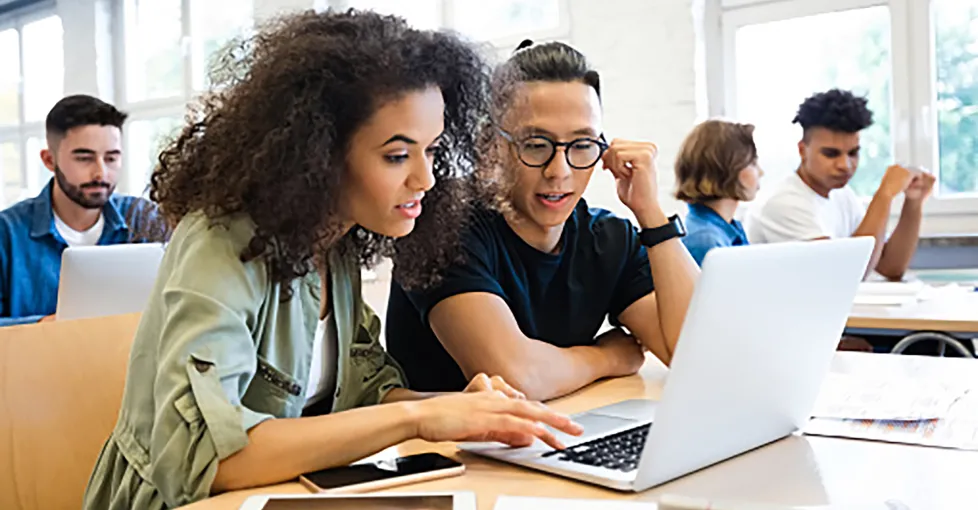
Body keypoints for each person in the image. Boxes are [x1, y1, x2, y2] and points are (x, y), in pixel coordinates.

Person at [83, 12, 581, 510]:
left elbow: (368, 392)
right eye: (396, 156)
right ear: (318, 154)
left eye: (431, 150)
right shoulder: (221, 244)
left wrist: (464, 409)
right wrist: (418, 420)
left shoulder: (338, 241)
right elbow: (210, 459)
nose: (425, 179)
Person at [385, 40, 700, 401]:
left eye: (581, 145)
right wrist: (608, 356)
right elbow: (517, 377)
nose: (559, 171)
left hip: (560, 436)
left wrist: (651, 215)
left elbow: (697, 354)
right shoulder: (441, 225)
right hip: (446, 453)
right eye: (535, 144)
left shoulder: (609, 239)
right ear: (490, 145)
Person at [0, 95, 161, 326]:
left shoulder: (144, 219)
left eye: (111, 158)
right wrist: (44, 326)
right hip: (38, 361)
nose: (101, 173)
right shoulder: (7, 233)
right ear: (49, 160)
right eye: (84, 158)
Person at [745, 89, 935, 280]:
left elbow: (889, 267)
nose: (845, 165)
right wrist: (884, 195)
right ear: (803, 150)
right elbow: (846, 275)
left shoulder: (842, 195)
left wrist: (913, 204)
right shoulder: (784, 203)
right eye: (831, 154)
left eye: (853, 153)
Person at [674, 119, 762, 266]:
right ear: (728, 169)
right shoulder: (705, 240)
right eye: (752, 163)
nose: (760, 172)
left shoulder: (726, 228)